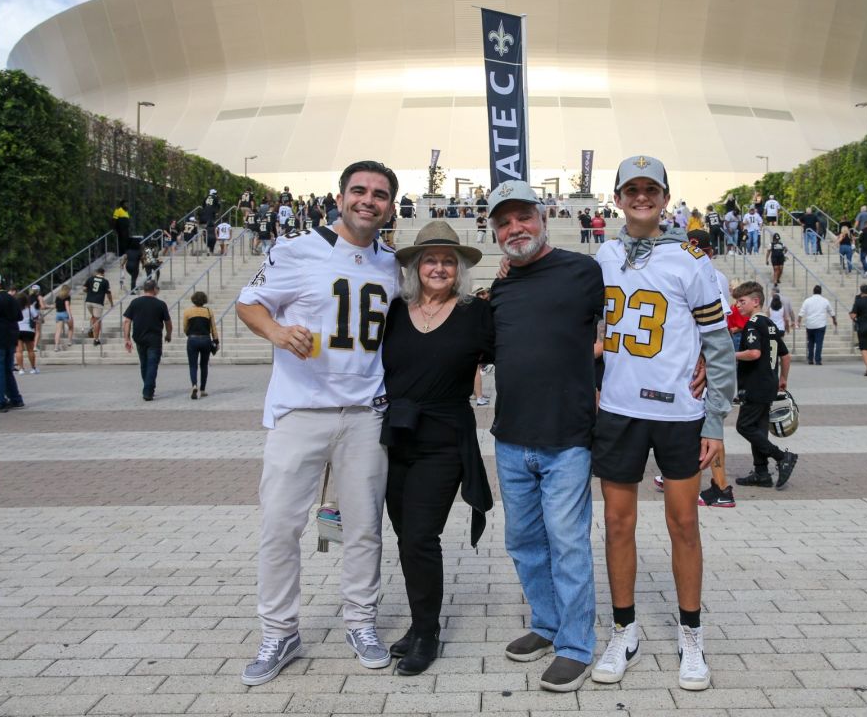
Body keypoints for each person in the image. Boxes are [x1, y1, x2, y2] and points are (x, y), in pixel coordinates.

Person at [235, 161, 401, 686]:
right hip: (300, 410)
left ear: (391, 205)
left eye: (379, 194)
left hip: (365, 415)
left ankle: (361, 621)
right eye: (359, 191)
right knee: (281, 523)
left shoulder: (394, 263)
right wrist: (279, 333)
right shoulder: (296, 248)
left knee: (365, 526)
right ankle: (279, 630)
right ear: (340, 195)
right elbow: (247, 303)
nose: (367, 201)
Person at [588, 156, 734, 693]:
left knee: (684, 525)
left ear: (666, 197)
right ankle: (623, 629)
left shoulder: (690, 258)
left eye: (652, 189)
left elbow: (717, 342)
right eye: (633, 189)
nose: (642, 197)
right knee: (619, 525)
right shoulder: (603, 253)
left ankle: (690, 632)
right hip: (621, 411)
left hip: (678, 412)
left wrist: (715, 416)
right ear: (619, 197)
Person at [485, 179, 604, 692]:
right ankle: (547, 624)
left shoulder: (584, 271)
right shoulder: (500, 287)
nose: (516, 228)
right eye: (504, 222)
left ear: (543, 218)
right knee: (524, 542)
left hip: (566, 437)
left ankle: (576, 645)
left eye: (523, 217)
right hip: (511, 437)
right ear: (495, 233)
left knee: (568, 543)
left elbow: (617, 333)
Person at [380, 221, 493, 677]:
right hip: (394, 436)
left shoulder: (475, 314)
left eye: (449, 260)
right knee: (406, 536)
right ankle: (417, 622)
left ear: (460, 268)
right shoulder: (392, 311)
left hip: (444, 439)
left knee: (421, 536)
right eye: (431, 259)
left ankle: (427, 633)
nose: (440, 267)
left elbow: (519, 351)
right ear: (415, 266)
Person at [732, 280, 797, 488]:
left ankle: (781, 457)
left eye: (742, 301)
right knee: (758, 429)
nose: (738, 306)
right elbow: (786, 356)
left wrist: (730, 355)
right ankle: (761, 473)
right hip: (769, 383)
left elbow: (754, 353)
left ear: (756, 301)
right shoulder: (770, 324)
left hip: (754, 384)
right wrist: (783, 378)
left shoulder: (753, 324)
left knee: (743, 426)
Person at [122, 280, 172, 401]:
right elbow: (168, 322)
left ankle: (148, 388)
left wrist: (127, 339)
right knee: (152, 364)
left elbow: (127, 321)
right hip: (154, 338)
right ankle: (148, 390)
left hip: (139, 338)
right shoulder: (161, 304)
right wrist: (168, 334)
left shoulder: (135, 302)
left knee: (144, 364)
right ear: (154, 289)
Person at [182, 291, 219, 399]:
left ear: (193, 300)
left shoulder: (188, 311)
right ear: (204, 300)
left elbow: (185, 327)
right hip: (205, 340)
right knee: (204, 365)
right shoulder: (208, 311)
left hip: (192, 339)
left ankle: (194, 385)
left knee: (193, 365)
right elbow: (213, 328)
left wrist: (189, 334)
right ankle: (202, 389)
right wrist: (216, 341)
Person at [0, 275, 25, 411]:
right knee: (7, 370)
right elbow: (19, 316)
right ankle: (15, 398)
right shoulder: (10, 299)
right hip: (10, 338)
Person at [797, 285, 837, 366]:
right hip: (821, 325)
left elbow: (801, 312)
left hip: (810, 325)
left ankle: (810, 359)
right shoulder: (825, 301)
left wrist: (799, 322)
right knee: (819, 343)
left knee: (810, 342)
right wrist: (834, 320)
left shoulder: (807, 300)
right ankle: (818, 360)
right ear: (821, 292)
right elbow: (831, 312)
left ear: (813, 291)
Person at [83, 266, 114, 346]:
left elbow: (84, 289)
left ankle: (91, 327)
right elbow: (108, 293)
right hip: (98, 302)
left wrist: (90, 291)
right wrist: (111, 303)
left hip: (88, 301)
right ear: (103, 273)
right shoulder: (105, 281)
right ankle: (96, 339)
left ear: (97, 272)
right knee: (98, 320)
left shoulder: (90, 278)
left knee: (93, 316)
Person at [14, 293, 40, 375]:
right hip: (28, 330)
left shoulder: (14, 308)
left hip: (17, 330)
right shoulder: (30, 307)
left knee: (19, 351)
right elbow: (36, 317)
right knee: (30, 350)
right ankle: (33, 368)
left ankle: (21, 369)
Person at [52, 284, 75, 352]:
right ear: (67, 290)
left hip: (58, 314)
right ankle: (69, 341)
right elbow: (67, 306)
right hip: (65, 313)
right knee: (71, 327)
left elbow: (55, 306)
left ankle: (56, 346)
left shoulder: (58, 297)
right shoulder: (67, 297)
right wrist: (70, 316)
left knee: (58, 331)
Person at [200, 188, 220, 254]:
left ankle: (205, 234)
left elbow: (203, 205)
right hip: (211, 213)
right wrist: (217, 211)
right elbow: (218, 205)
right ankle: (211, 248)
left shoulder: (206, 197)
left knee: (205, 227)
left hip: (204, 213)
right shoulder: (215, 197)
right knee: (211, 225)